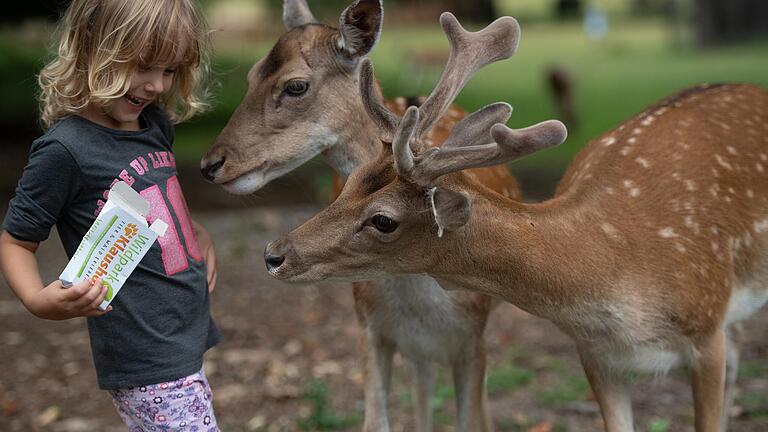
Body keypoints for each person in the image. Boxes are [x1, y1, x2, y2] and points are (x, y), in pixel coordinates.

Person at [0, 0, 221, 429]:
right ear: (91, 49)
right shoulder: (65, 151)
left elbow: (156, 194)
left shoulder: (153, 124)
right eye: (143, 65)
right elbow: (15, 241)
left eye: (170, 70)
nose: (157, 85)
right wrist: (36, 301)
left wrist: (195, 231)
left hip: (182, 332)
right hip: (145, 354)